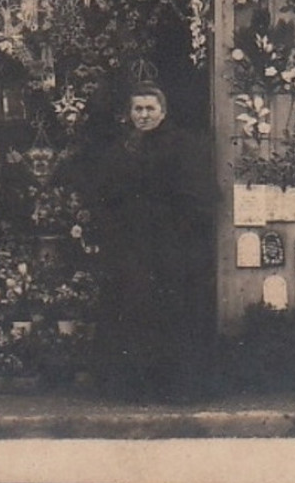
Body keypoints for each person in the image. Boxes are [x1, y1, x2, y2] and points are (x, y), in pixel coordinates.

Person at [86, 82, 217, 402]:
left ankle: (174, 389)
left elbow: (199, 198)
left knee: (172, 316)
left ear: (163, 111)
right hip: (131, 248)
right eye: (137, 109)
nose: (143, 115)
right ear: (129, 114)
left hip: (170, 247)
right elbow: (104, 197)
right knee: (132, 314)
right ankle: (134, 389)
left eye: (150, 109)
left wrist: (175, 230)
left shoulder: (184, 146)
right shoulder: (120, 150)